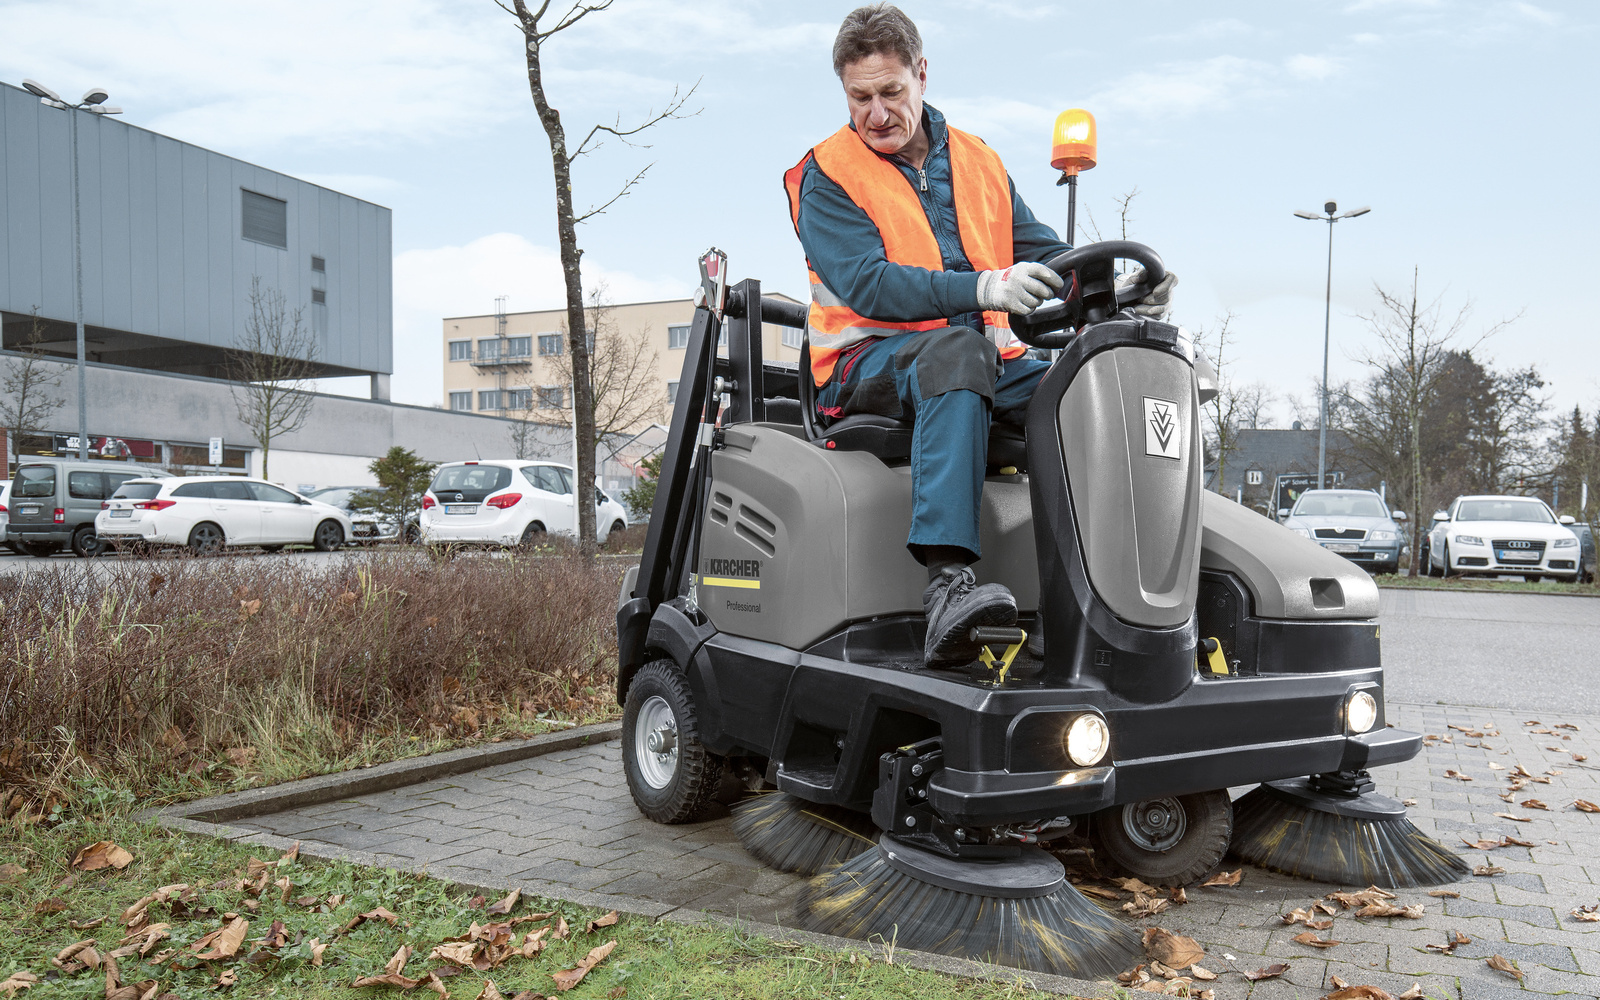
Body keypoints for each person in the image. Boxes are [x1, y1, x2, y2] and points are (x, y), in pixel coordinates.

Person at [784, 3, 1175, 668]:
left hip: (972, 363)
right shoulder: (827, 174)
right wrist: (984, 288)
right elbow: (871, 284)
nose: (876, 113)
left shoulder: (977, 160)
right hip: (863, 367)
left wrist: (1128, 289)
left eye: (890, 93)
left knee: (1082, 384)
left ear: (923, 74)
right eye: (860, 98)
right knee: (960, 351)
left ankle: (1103, 589)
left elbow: (1047, 252)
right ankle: (945, 588)